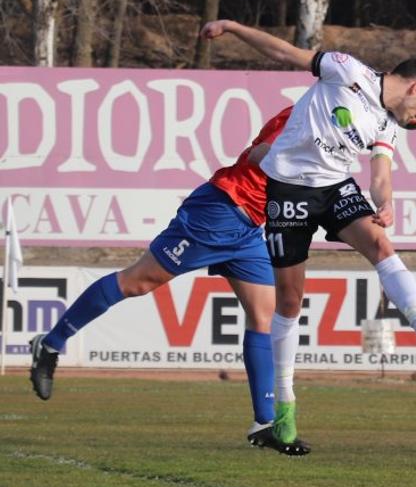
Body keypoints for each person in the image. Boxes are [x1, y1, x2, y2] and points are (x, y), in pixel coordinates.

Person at [199, 19, 416, 451]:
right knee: (289, 300)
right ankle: (284, 410)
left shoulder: (387, 123)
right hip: (288, 187)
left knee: (380, 243)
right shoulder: (347, 70)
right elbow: (286, 53)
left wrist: (387, 202)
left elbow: (380, 173)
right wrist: (231, 26)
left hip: (335, 187)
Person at [28, 106, 310, 455]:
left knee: (264, 317)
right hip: (221, 211)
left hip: (250, 227)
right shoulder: (308, 113)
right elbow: (258, 155)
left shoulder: (340, 127)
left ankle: (264, 423)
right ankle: (51, 344)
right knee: (137, 283)